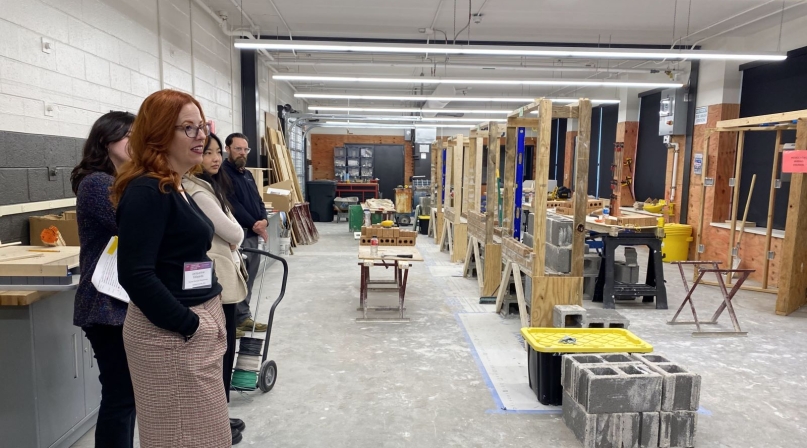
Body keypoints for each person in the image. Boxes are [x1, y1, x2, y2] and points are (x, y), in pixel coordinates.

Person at [112, 90, 230, 448]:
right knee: (183, 438)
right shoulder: (148, 190)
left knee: (206, 437)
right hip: (171, 336)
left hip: (191, 325)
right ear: (160, 134)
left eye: (202, 127)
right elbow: (135, 274)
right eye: (188, 128)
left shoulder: (175, 184)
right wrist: (189, 324)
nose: (201, 137)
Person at [71, 111, 137, 448]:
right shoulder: (97, 184)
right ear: (105, 141)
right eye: (127, 135)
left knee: (127, 395)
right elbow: (134, 228)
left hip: (122, 301)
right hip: (104, 303)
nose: (134, 141)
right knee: (120, 394)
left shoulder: (125, 181)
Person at [181, 132, 248, 444]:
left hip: (220, 272)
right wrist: (235, 233)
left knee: (225, 346)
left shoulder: (211, 187)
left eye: (217, 152)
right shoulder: (197, 191)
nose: (215, 158)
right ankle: (217, 420)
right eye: (207, 152)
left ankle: (221, 413)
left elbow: (233, 227)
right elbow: (232, 229)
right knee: (220, 348)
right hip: (214, 277)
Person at [221, 132, 269, 333]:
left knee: (249, 278)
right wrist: (254, 224)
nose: (242, 152)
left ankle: (244, 317)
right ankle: (231, 321)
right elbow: (233, 204)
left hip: (254, 233)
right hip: (238, 235)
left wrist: (264, 219)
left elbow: (258, 200)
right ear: (228, 149)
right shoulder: (223, 174)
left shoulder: (247, 175)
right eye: (237, 148)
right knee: (235, 279)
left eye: (245, 149)